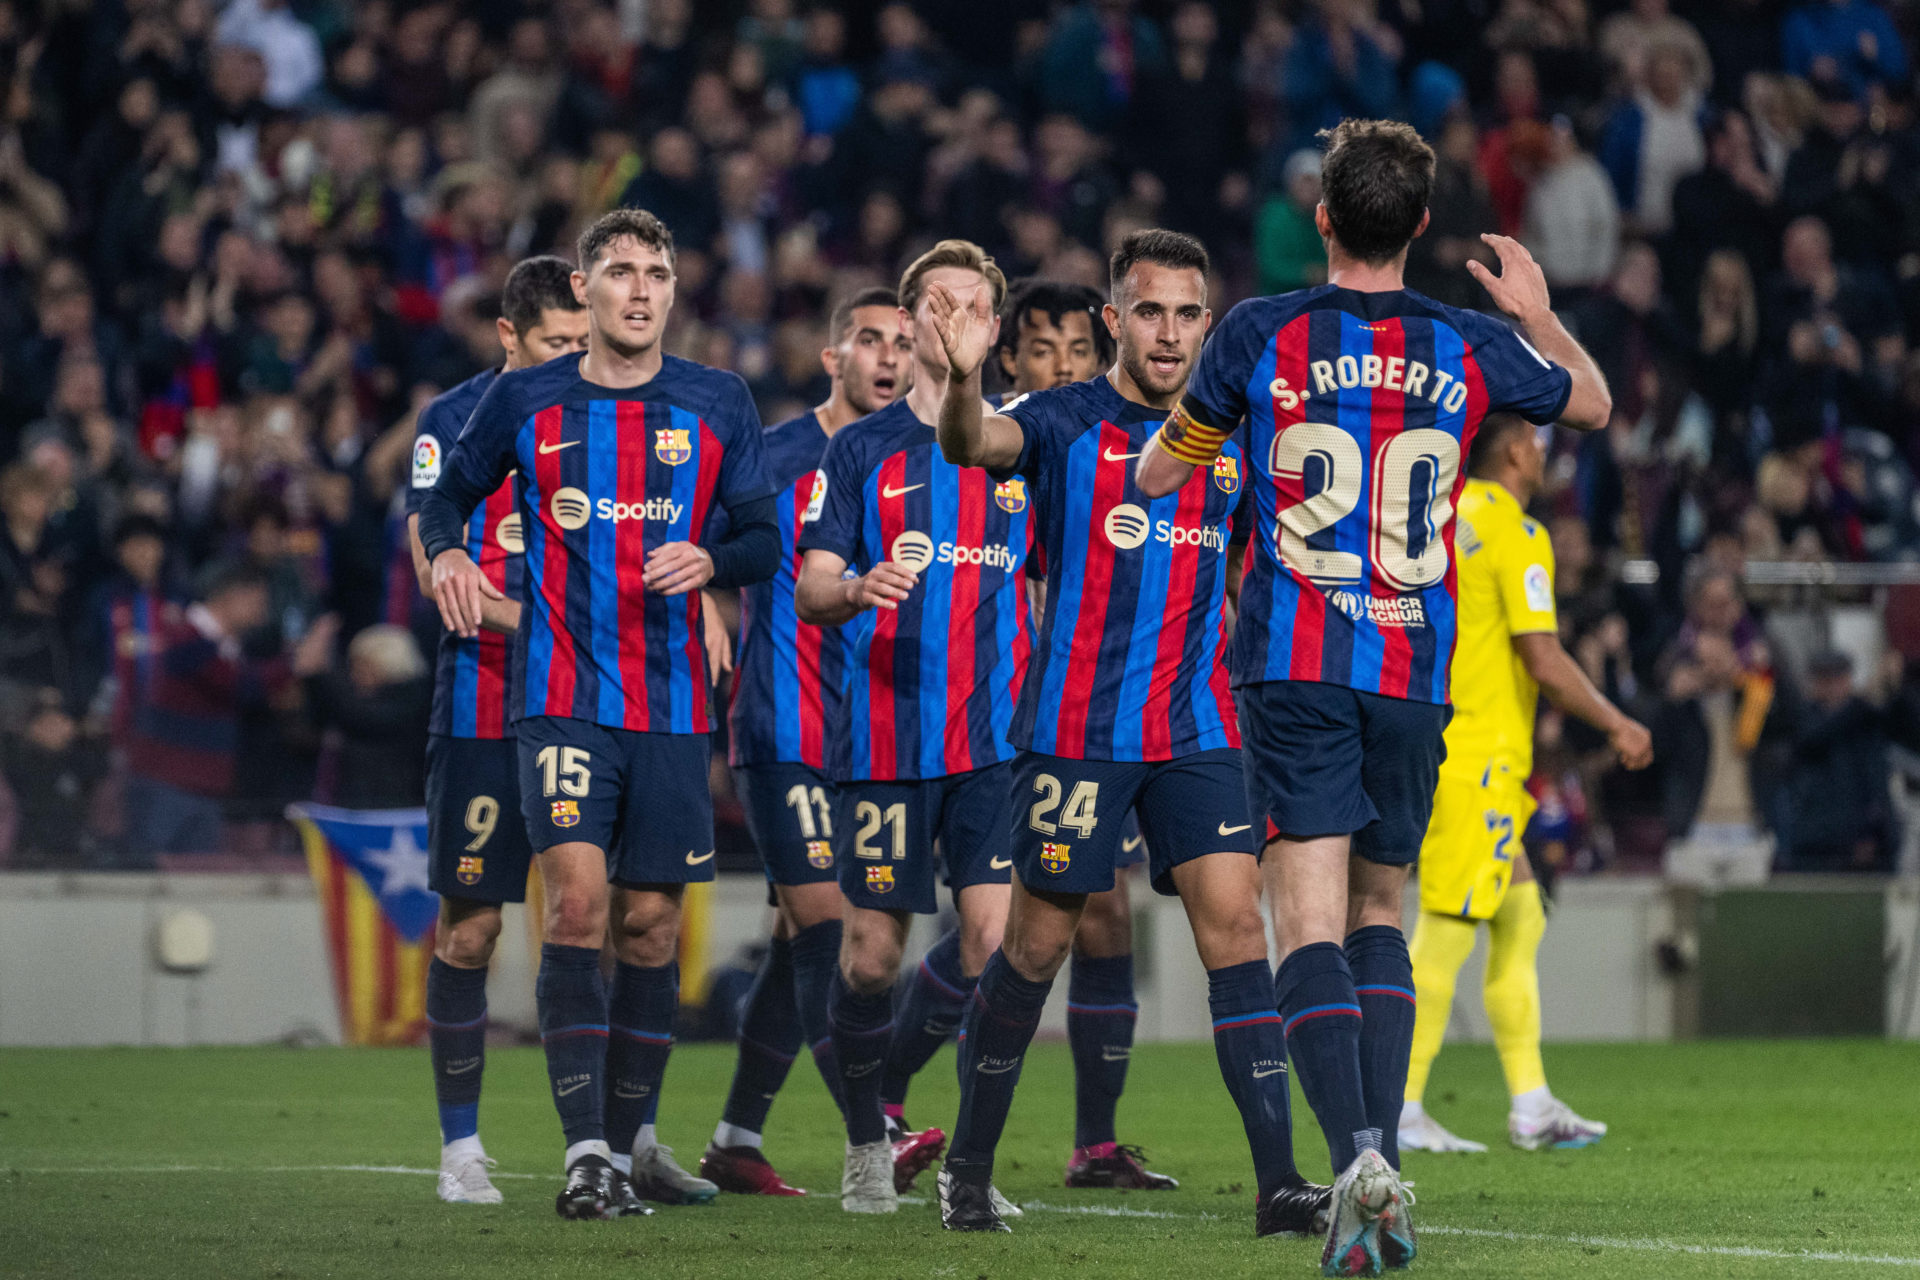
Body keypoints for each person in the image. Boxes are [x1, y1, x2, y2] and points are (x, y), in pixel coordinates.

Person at [1135, 117, 1613, 1276]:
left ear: (1323, 219)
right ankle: (1383, 1153)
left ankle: (1359, 1160)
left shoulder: (1257, 330)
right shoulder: (1464, 341)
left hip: (1298, 663)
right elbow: (1591, 405)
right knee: (1380, 914)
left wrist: (1224, 445)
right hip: (1413, 669)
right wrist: (1537, 310)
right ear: (1422, 228)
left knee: (1305, 918)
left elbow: (1161, 470)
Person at [930, 227, 1332, 1236]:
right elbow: (971, 443)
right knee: (1035, 945)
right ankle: (967, 1164)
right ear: (1115, 320)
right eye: (1147, 310)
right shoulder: (1065, 417)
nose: (1167, 331)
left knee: (1239, 929)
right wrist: (965, 378)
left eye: (1186, 312)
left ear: (1208, 321)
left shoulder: (1235, 436)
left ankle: (1280, 1181)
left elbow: (1263, 563)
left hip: (1196, 727)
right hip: (1078, 731)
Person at [418, 209, 781, 1221]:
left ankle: (629, 1146)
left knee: (654, 923)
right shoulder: (527, 398)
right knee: (576, 902)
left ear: (673, 289)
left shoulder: (718, 400)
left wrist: (714, 561)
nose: (638, 288)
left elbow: (762, 537)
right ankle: (585, 1154)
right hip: (560, 697)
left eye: (655, 272)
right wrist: (448, 550)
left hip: (669, 708)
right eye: (618, 271)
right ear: (587, 289)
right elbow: (445, 499)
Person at [793, 239, 1028, 1216]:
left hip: (996, 745)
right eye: (936, 302)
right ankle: (863, 1136)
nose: (952, 317)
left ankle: (968, 1169)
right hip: (887, 741)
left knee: (993, 945)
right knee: (872, 956)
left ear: (993, 327)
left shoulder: (1029, 446)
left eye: (972, 303)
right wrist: (852, 588)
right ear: (913, 320)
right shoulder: (858, 449)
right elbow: (810, 584)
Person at [699, 285, 910, 1197]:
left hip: (872, 740)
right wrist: (711, 610)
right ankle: (879, 1135)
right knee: (830, 921)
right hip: (780, 727)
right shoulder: (778, 454)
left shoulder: (919, 460)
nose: (890, 357)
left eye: (905, 341)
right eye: (870, 339)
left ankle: (736, 1139)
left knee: (796, 942)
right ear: (834, 356)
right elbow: (707, 544)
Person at [1397, 412, 1653, 1157]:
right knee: (1444, 928)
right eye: (1539, 441)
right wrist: (1618, 724)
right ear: (1515, 450)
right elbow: (1541, 656)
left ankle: (1532, 1104)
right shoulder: (1515, 531)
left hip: (1454, 745)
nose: (1545, 454)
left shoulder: (1441, 520)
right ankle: (1401, 1103)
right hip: (1478, 755)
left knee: (1519, 916)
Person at [401, 254, 588, 1207]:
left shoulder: (610, 414)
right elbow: (447, 577)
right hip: (481, 710)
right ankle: (460, 1149)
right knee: (471, 927)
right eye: (559, 343)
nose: (576, 358)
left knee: (593, 920)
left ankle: (600, 1148)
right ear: (510, 337)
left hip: (589, 713)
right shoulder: (454, 422)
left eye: (584, 343)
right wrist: (564, 614)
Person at [981, 275, 1172, 1191]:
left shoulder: (1107, 444)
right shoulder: (1014, 445)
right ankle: (894, 1102)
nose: (1064, 367)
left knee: (1091, 915)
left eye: (1078, 352)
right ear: (1008, 359)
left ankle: (1095, 1138)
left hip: (1081, 716)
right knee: (997, 931)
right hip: (980, 717)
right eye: (1042, 350)